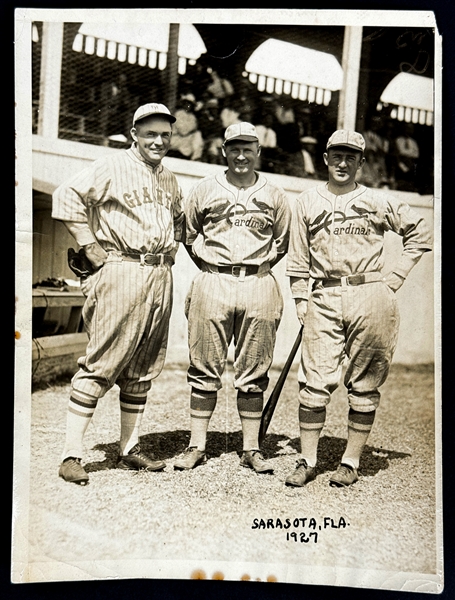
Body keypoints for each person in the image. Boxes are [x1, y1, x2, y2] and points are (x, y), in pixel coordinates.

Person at [285, 129, 432, 488]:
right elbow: (297, 259)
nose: (343, 162)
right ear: (326, 158)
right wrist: (302, 300)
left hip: (370, 293)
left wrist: (396, 276)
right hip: (325, 293)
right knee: (314, 383)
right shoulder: (306, 201)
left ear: (362, 163)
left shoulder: (377, 201)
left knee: (365, 383)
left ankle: (350, 461)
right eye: (337, 155)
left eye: (351, 156)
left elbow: (422, 233)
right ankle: (307, 459)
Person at [52, 103, 184, 485]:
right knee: (102, 361)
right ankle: (71, 454)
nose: (158, 141)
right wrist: (88, 244)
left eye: (164, 134)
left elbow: (177, 224)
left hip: (160, 273)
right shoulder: (111, 166)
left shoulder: (170, 179)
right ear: (134, 134)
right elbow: (65, 197)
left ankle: (129, 448)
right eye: (150, 134)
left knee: (143, 366)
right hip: (122, 268)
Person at [174, 122, 291, 473]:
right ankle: (197, 445)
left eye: (248, 148)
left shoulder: (275, 194)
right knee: (204, 366)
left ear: (258, 151)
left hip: (258, 282)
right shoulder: (204, 189)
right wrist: (211, 266)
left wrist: (256, 268)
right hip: (213, 280)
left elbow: (282, 242)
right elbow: (187, 233)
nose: (241, 155)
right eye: (234, 148)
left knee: (254, 369)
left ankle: (251, 448)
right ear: (223, 150)